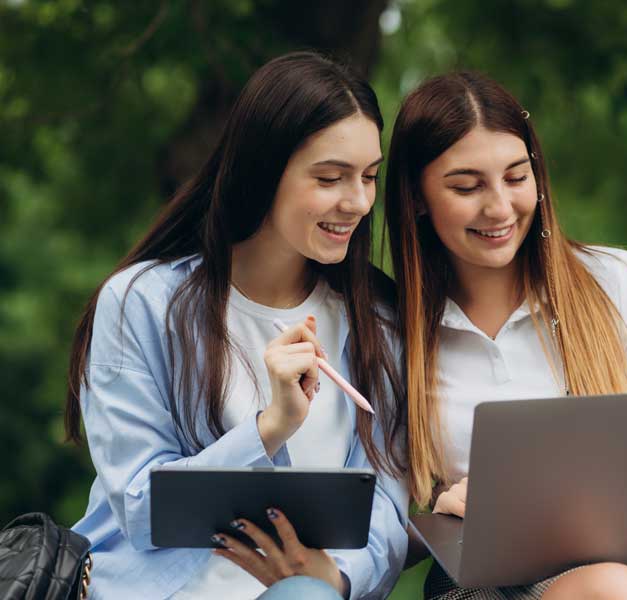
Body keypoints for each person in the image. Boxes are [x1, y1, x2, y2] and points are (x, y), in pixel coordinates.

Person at [66, 51, 407, 600]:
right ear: (264, 169)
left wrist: (340, 577)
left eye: (369, 177)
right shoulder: (141, 303)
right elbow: (138, 505)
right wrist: (270, 426)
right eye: (329, 177)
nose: (358, 201)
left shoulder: (378, 318)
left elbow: (388, 505)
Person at [384, 71, 627, 600]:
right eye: (467, 187)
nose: (500, 208)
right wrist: (435, 517)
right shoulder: (390, 330)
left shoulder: (621, 283)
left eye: (515, 177)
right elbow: (379, 525)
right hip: (478, 583)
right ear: (416, 197)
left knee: (618, 586)